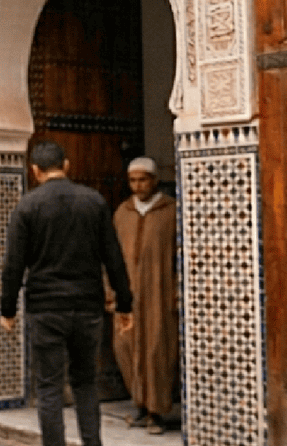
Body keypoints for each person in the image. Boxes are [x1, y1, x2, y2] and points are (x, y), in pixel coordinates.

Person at [0, 141, 134, 446]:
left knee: (49, 387)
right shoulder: (94, 202)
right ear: (67, 165)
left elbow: (13, 265)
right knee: (86, 383)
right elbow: (113, 257)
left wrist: (7, 309)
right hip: (87, 308)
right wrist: (124, 304)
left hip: (45, 310)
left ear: (35, 171)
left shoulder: (27, 207)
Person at [111, 156, 178, 435]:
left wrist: (177, 292)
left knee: (156, 353)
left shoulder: (171, 212)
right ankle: (138, 405)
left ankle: (157, 412)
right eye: (133, 180)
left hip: (160, 297)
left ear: (154, 180)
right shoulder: (122, 213)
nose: (138, 186)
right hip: (127, 299)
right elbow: (111, 257)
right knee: (126, 349)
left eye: (143, 180)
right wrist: (110, 292)